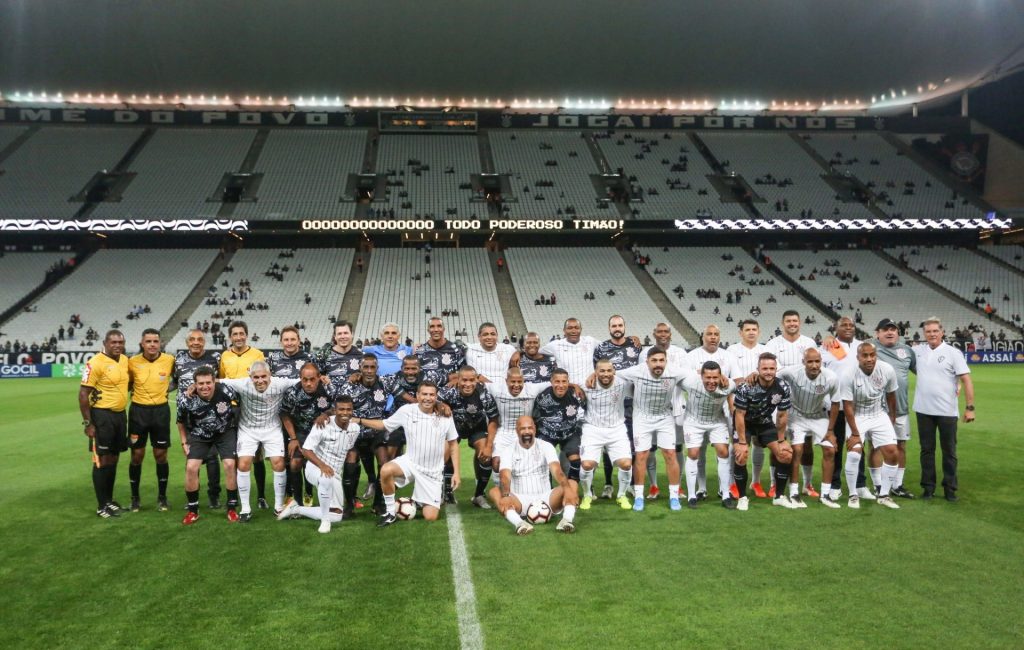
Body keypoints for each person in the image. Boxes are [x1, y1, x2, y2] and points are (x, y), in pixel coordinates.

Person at [357, 382, 461, 526]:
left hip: (432, 472)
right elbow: (383, 425)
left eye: (431, 395)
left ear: (436, 397)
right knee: (386, 470)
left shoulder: (445, 416)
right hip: (410, 462)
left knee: (430, 517)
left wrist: (456, 472)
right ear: (417, 395)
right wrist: (360, 420)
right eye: (424, 394)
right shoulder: (406, 411)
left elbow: (453, 444)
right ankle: (390, 513)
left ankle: (417, 501)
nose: (428, 398)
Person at [214, 361, 301, 521]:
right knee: (244, 463)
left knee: (278, 463)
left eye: (263, 376)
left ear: (270, 375)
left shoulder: (280, 383)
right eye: (256, 377)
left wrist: (323, 378)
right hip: (248, 429)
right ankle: (246, 509)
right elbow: (217, 381)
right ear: (250, 377)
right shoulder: (242, 383)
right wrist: (193, 386)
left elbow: (302, 379)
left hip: (272, 428)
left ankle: (278, 506)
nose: (260, 380)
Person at [617, 347, 689, 511]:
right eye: (654, 360)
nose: (658, 364)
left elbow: (694, 377)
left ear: (666, 361)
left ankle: (674, 496)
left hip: (664, 417)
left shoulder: (674, 372)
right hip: (642, 417)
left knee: (670, 454)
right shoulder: (636, 371)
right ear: (647, 362)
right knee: (641, 455)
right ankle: (639, 497)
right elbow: (615, 374)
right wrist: (594, 375)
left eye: (661, 360)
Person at [277, 395, 361, 533]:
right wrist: (322, 465)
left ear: (352, 410)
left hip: (335, 473)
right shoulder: (322, 425)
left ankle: (296, 509)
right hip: (314, 468)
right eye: (341, 409)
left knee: (337, 515)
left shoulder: (355, 429)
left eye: (348, 409)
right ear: (335, 410)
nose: (345, 413)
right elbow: (306, 450)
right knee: (325, 478)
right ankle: (325, 521)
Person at [912, 318, 974, 502]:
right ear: (924, 334)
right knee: (926, 451)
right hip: (923, 410)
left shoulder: (953, 353)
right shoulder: (917, 351)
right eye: (928, 331)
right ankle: (928, 488)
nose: (932, 334)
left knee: (949, 451)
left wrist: (970, 408)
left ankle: (950, 488)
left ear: (942, 332)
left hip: (947, 411)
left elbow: (966, 380)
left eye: (935, 331)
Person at [490, 416, 579, 535]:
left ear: (535, 429)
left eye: (529, 428)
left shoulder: (546, 446)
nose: (527, 431)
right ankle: (519, 523)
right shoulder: (508, 450)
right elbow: (505, 476)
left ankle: (566, 520)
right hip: (519, 500)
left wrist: (567, 489)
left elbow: (556, 470)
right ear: (517, 431)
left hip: (546, 498)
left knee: (571, 484)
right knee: (495, 492)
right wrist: (506, 495)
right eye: (523, 429)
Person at [840, 343, 902, 509]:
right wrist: (854, 434)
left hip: (878, 414)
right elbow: (847, 406)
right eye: (865, 355)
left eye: (872, 355)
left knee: (892, 452)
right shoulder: (848, 375)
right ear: (858, 357)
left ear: (876, 355)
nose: (869, 359)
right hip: (857, 415)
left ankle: (884, 495)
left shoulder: (887, 369)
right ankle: (853, 495)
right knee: (854, 453)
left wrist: (892, 417)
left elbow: (891, 395)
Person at [177, 366, 240, 525]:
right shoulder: (186, 398)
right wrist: (184, 441)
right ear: (195, 384)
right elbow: (180, 421)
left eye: (208, 383)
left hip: (225, 432)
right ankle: (193, 511)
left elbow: (240, 403)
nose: (205, 386)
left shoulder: (226, 391)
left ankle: (232, 507)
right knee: (191, 467)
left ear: (214, 382)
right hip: (200, 434)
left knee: (229, 464)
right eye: (200, 383)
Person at [764, 310, 817, 499]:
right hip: (779, 401)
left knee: (806, 445)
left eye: (795, 320)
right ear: (782, 323)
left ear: (800, 322)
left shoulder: (809, 343)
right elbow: (769, 371)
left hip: (804, 402)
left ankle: (807, 484)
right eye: (788, 321)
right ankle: (773, 484)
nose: (792, 323)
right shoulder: (773, 344)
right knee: (777, 441)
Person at [778, 349, 842, 508]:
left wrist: (831, 431)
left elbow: (835, 404)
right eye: (810, 362)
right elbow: (772, 375)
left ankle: (825, 494)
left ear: (821, 361)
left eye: (817, 362)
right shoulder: (791, 372)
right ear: (803, 362)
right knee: (797, 450)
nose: (814, 365)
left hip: (818, 416)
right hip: (796, 416)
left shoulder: (831, 377)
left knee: (829, 450)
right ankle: (794, 492)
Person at [731, 353, 795, 510]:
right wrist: (741, 442)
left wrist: (781, 440)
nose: (768, 372)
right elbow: (739, 414)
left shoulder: (783, 387)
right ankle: (742, 497)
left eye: (772, 368)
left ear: (776, 369)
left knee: (786, 454)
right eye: (764, 368)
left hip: (764, 423)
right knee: (741, 455)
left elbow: (782, 415)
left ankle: (779, 496)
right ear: (757, 369)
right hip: (745, 424)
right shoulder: (746, 387)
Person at [218, 321, 269, 509]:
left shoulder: (257, 355)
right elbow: (222, 379)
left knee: (256, 455)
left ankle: (262, 496)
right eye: (235, 334)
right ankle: (237, 496)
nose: (238, 337)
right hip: (231, 409)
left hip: (252, 407)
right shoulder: (224, 356)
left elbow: (264, 378)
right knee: (236, 454)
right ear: (230, 336)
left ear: (247, 335)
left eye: (241, 334)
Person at [79, 329, 130, 518]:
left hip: (119, 416)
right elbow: (83, 394)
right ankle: (102, 506)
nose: (117, 345)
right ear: (105, 343)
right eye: (113, 342)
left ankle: (109, 500)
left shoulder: (124, 360)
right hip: (102, 416)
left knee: (114, 458)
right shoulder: (95, 363)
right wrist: (88, 423)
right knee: (102, 460)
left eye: (120, 342)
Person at [172, 329, 225, 508]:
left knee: (211, 457)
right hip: (186, 415)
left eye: (200, 339)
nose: (196, 342)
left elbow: (222, 382)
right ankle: (193, 496)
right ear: (187, 343)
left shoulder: (215, 359)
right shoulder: (178, 359)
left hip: (209, 415)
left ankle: (214, 495)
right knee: (192, 456)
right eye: (192, 339)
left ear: (204, 342)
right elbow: (173, 381)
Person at [819, 316, 869, 501]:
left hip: (859, 406)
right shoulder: (829, 347)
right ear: (835, 328)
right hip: (836, 406)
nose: (848, 328)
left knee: (858, 445)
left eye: (851, 325)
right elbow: (820, 374)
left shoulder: (863, 346)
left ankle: (860, 484)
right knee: (836, 445)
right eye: (844, 325)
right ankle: (835, 484)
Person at [337, 354, 394, 513]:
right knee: (350, 462)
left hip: (376, 433)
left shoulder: (385, 382)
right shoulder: (349, 386)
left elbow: (407, 379)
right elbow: (339, 408)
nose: (369, 370)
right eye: (365, 367)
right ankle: (349, 505)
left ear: (377, 368)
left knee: (384, 462)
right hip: (354, 434)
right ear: (360, 368)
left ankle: (378, 503)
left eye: (372, 367)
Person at [126, 328, 175, 512]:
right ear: (142, 343)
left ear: (160, 343)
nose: (152, 345)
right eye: (149, 341)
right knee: (137, 455)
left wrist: (165, 390)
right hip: (138, 412)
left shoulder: (169, 360)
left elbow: (177, 380)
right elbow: (128, 383)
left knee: (160, 455)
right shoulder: (132, 362)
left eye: (156, 341)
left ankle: (162, 498)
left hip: (161, 412)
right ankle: (135, 498)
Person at [639, 322, 689, 499]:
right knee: (650, 448)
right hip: (652, 408)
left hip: (676, 407)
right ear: (654, 334)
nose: (662, 334)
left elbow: (686, 378)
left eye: (666, 331)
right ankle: (653, 485)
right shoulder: (645, 353)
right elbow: (642, 377)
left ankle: (678, 485)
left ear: (670, 333)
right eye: (659, 331)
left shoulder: (681, 353)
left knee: (676, 449)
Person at [279, 363, 339, 509]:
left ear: (319, 377)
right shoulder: (292, 392)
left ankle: (313, 494)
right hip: (302, 432)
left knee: (322, 465)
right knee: (295, 463)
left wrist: (326, 414)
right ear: (300, 378)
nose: (308, 383)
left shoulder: (328, 389)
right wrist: (293, 438)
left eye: (312, 379)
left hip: (323, 433)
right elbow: (284, 414)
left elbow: (340, 408)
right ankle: (298, 501)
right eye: (305, 379)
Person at [686, 325, 735, 501]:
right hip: (694, 416)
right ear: (702, 336)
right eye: (709, 334)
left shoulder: (728, 356)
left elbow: (736, 382)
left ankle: (726, 492)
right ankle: (699, 490)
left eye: (716, 334)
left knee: (723, 451)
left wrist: (727, 383)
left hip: (717, 415)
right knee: (696, 452)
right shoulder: (691, 358)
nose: (713, 337)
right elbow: (680, 377)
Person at [679, 361, 737, 509]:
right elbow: (674, 376)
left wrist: (731, 404)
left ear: (720, 377)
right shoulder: (690, 381)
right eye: (708, 378)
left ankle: (725, 495)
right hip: (693, 421)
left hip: (717, 421)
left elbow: (736, 386)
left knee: (724, 451)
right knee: (693, 453)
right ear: (701, 376)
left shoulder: (728, 384)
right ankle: (692, 496)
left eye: (715, 377)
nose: (711, 381)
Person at [439, 366, 499, 507]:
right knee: (443, 454)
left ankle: (479, 495)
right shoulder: (448, 391)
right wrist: (440, 404)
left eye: (471, 380)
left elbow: (494, 418)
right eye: (464, 380)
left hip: (476, 428)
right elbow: (433, 400)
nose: (467, 384)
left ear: (477, 379)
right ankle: (446, 492)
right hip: (453, 428)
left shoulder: (484, 394)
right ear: (457, 380)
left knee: (485, 455)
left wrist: (489, 446)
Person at [579, 359, 633, 511]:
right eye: (601, 371)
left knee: (626, 464)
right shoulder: (586, 384)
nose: (606, 374)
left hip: (616, 428)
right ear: (595, 372)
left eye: (609, 370)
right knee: (587, 465)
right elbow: (572, 385)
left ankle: (621, 495)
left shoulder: (622, 383)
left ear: (614, 371)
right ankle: (587, 495)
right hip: (592, 428)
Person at [871, 318, 916, 499]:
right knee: (875, 447)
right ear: (877, 333)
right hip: (877, 409)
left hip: (901, 408)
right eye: (885, 330)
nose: (890, 332)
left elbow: (923, 371)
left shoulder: (907, 351)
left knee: (900, 446)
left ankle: (897, 485)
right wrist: (829, 338)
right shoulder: (870, 348)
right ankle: (878, 485)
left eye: (893, 330)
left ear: (898, 333)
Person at [482, 367, 552, 481]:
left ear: (523, 381)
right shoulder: (496, 388)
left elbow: (553, 382)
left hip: (524, 433)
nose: (516, 385)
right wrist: (457, 379)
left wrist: (574, 386)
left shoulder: (532, 389)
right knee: (496, 464)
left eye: (519, 381)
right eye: (513, 381)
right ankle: (502, 494)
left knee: (525, 464)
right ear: (506, 381)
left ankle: (521, 490)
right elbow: (477, 381)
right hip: (503, 432)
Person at [532, 367, 586, 507]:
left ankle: (572, 494)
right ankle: (547, 494)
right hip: (547, 433)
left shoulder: (576, 395)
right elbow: (534, 417)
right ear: (551, 382)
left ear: (569, 382)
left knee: (575, 461)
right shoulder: (543, 398)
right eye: (557, 381)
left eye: (564, 381)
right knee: (545, 463)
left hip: (569, 433)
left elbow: (586, 409)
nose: (560, 385)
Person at [415, 317, 467, 384]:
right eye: (432, 326)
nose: (436, 329)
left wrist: (457, 380)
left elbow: (465, 372)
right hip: (428, 393)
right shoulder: (420, 352)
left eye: (439, 326)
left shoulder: (456, 350)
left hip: (449, 392)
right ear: (428, 330)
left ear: (444, 329)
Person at [317, 320, 364, 391]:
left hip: (352, 400)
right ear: (335, 336)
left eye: (346, 333)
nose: (343, 336)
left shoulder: (360, 355)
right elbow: (314, 373)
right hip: (330, 399)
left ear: (352, 334)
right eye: (339, 334)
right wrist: (321, 377)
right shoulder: (325, 354)